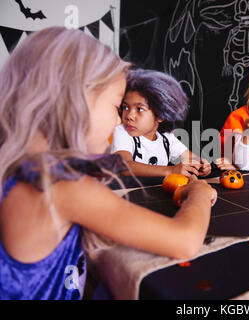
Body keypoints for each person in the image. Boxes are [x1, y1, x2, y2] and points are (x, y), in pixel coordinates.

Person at [0, 27, 217, 300]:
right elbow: (184, 241)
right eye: (118, 106)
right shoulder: (62, 186)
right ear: (76, 99)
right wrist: (199, 193)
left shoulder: (18, 168)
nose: (119, 121)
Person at [111, 69, 211, 178]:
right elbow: (123, 166)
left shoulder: (167, 139)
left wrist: (201, 166)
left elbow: (193, 160)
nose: (129, 115)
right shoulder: (123, 132)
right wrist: (171, 170)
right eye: (126, 107)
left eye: (139, 109)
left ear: (160, 116)